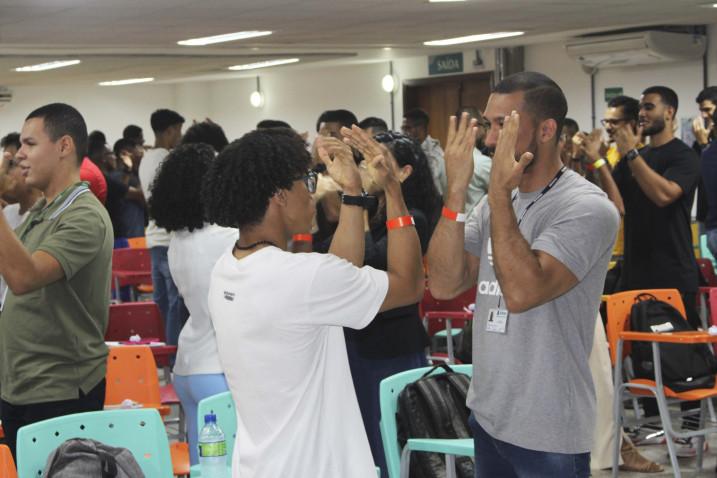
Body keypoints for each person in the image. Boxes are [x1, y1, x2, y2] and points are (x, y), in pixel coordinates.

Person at [427, 72, 619, 477]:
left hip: (549, 427)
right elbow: (444, 283)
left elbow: (522, 292)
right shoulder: (496, 202)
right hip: (490, 415)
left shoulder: (586, 208)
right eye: (489, 124)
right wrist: (457, 192)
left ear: (546, 130)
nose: (491, 140)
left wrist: (498, 197)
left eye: (504, 124)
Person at [203, 127, 424, 478]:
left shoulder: (224, 270)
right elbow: (409, 285)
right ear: (278, 195)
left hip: (258, 466)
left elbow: (337, 277)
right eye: (305, 182)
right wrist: (394, 191)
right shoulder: (300, 278)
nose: (314, 193)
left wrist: (353, 194)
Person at [317, 131, 439, 477]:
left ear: (403, 172)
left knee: (394, 439)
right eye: (363, 161)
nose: (365, 169)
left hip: (393, 347)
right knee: (364, 440)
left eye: (375, 162)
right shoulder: (365, 210)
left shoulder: (413, 217)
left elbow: (367, 263)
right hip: (356, 344)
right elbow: (328, 257)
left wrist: (359, 215)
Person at [0, 103, 113, 457]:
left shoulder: (83, 216)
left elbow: (24, 277)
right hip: (22, 384)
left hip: (60, 390)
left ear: (64, 146)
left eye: (29, 144)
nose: (19, 155)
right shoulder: (44, 210)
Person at [148, 143, 236, 465]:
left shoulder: (177, 242)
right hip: (218, 369)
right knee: (229, 467)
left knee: (205, 468)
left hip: (188, 367)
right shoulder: (227, 237)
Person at [138, 108, 185, 345]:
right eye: (179, 130)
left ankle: (164, 357)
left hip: (153, 238)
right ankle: (174, 354)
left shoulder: (146, 158)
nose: (180, 136)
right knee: (175, 302)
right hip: (169, 239)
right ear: (170, 130)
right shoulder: (167, 160)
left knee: (162, 302)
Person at [402, 107, 446, 195]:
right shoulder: (408, 150)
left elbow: (442, 190)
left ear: (417, 129)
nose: (403, 132)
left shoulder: (436, 156)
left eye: (407, 128)